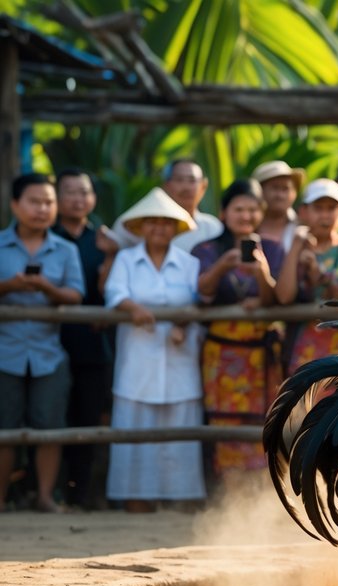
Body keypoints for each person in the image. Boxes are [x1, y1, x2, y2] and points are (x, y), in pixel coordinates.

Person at [102, 189, 205, 512]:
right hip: (138, 361)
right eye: (153, 223)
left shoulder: (190, 264)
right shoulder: (125, 260)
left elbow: (198, 304)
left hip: (179, 359)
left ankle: (179, 506)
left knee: (180, 438)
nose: (159, 229)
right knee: (136, 436)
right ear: (141, 227)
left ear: (176, 228)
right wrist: (132, 307)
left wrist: (183, 325)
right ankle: (137, 505)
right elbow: (114, 291)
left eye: (166, 223)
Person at [0, 174, 84, 512]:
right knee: (3, 429)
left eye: (48, 202)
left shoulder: (66, 250)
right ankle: (1, 499)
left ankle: (46, 496)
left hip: (49, 353)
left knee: (51, 426)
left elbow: (76, 295)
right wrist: (9, 286)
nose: (42, 209)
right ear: (15, 205)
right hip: (4, 352)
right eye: (35, 201)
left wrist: (47, 289)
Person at [194, 179, 284, 480]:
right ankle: (227, 490)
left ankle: (261, 489)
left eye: (252, 209)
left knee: (264, 417)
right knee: (223, 419)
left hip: (261, 352)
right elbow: (202, 293)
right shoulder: (206, 249)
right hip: (221, 351)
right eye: (238, 209)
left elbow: (278, 300)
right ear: (223, 212)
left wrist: (262, 274)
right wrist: (223, 264)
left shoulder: (271, 248)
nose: (245, 216)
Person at [52, 169, 115, 509]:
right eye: (70, 192)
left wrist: (111, 255)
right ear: (57, 198)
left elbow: (113, 290)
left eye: (84, 192)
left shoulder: (104, 240)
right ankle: (47, 490)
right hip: (52, 339)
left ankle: (82, 494)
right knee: (51, 417)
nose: (78, 199)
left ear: (93, 198)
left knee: (90, 416)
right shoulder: (45, 237)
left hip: (95, 343)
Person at [277, 179, 338, 373]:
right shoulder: (292, 248)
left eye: (331, 208)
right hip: (303, 347)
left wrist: (319, 273)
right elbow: (284, 296)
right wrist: (296, 246)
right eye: (318, 208)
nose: (325, 215)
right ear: (304, 212)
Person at [110, 160, 224, 253]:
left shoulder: (214, 228)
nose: (186, 187)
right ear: (166, 185)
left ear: (203, 186)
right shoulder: (135, 223)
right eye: (179, 180)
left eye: (192, 180)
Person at [253, 161, 305, 252]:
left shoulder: (303, 226)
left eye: (285, 189)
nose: (280, 195)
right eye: (275, 188)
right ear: (259, 191)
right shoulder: (246, 223)